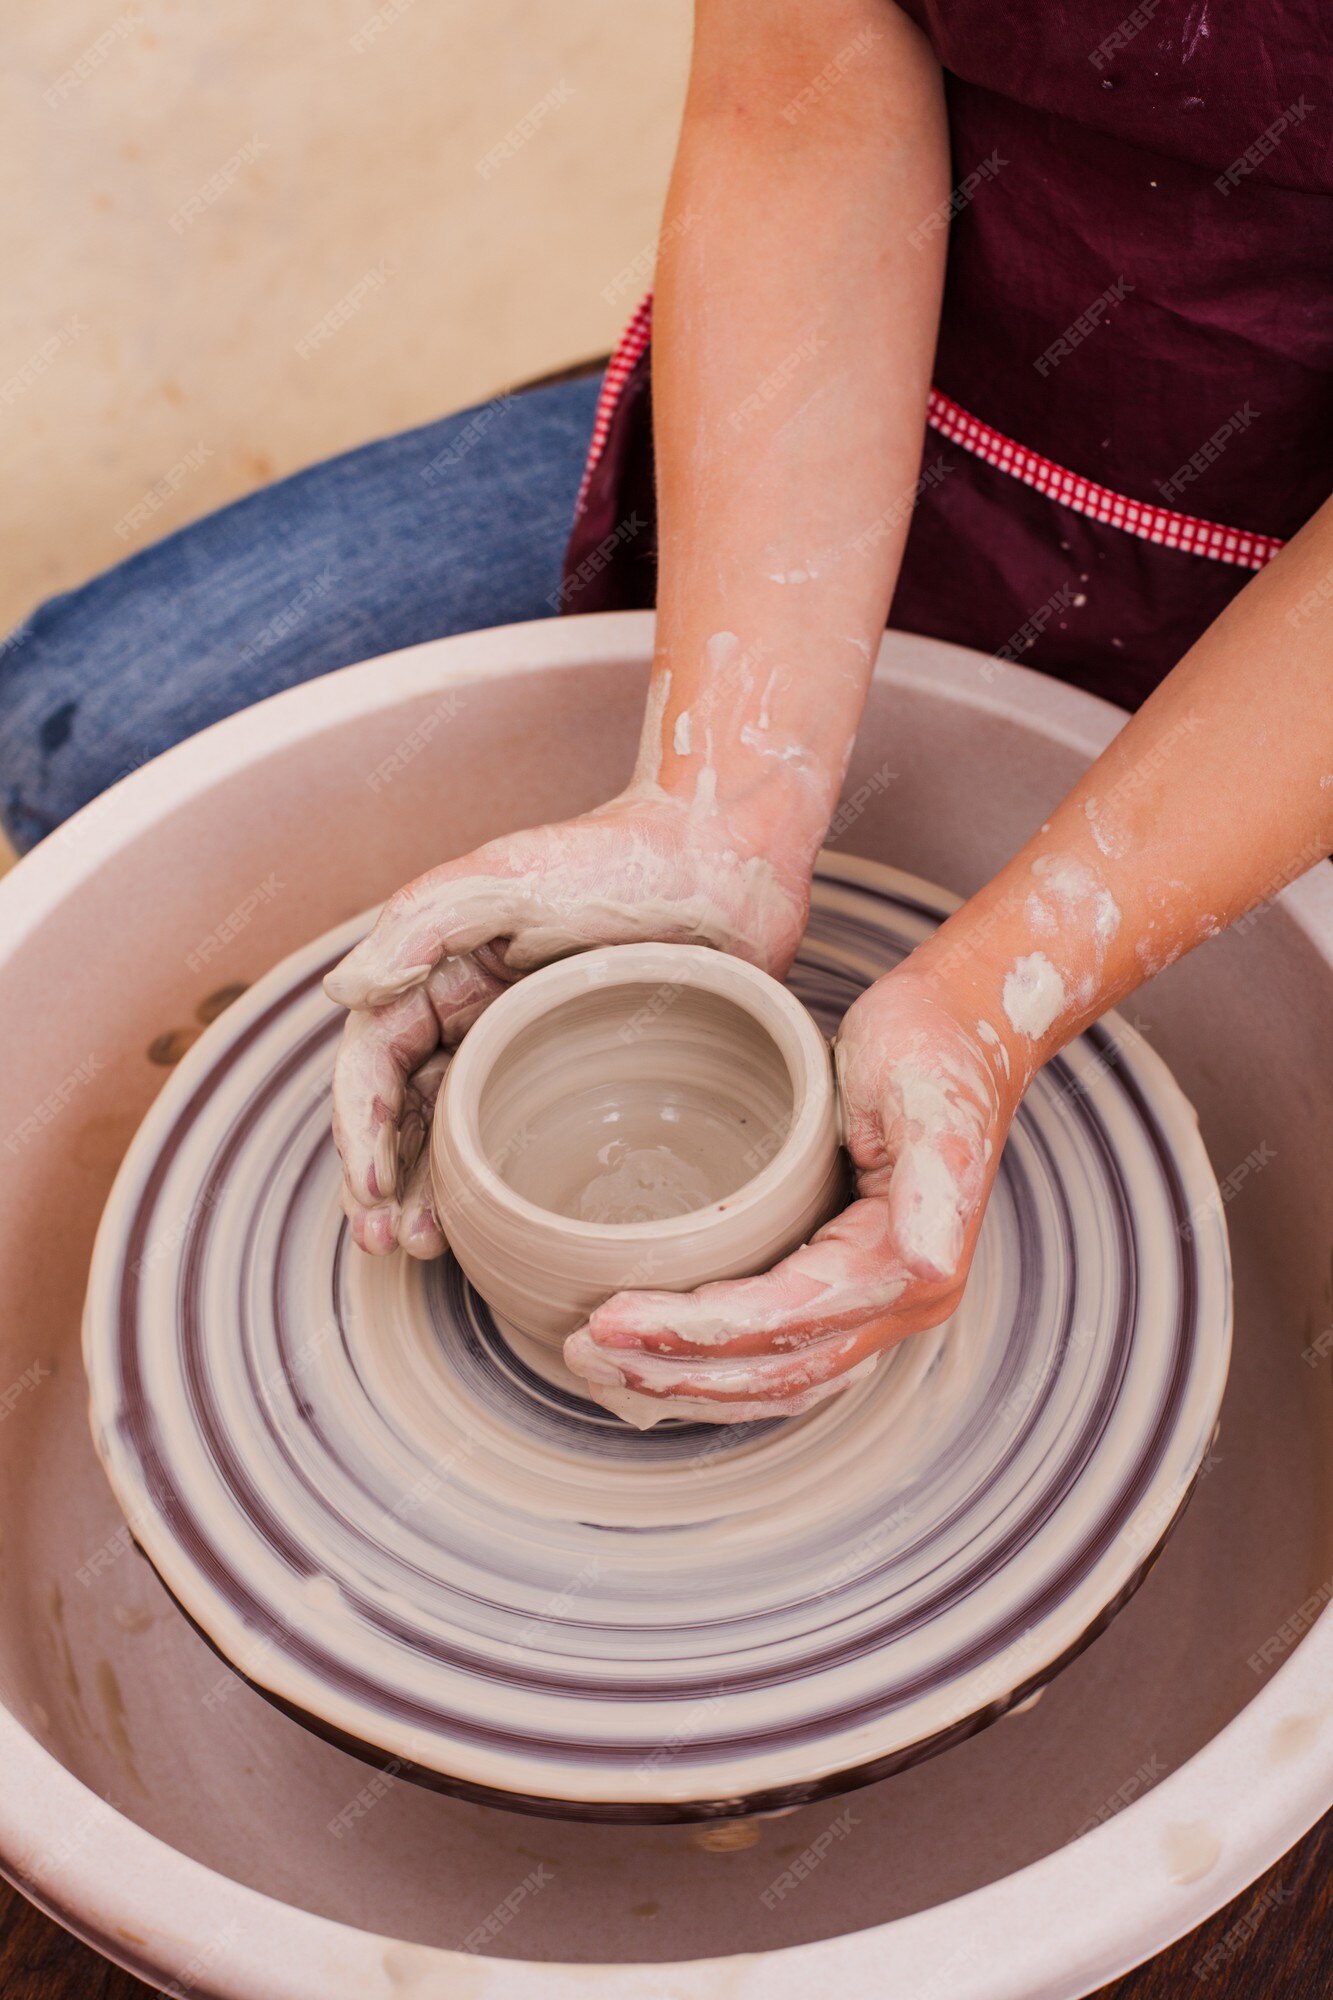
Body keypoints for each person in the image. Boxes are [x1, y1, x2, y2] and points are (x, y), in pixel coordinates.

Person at [5, 4, 1330, 1422]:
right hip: (888, 407)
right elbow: (799, 106)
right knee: (75, 734)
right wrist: (721, 798)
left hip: (1274, 625)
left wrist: (993, 998)